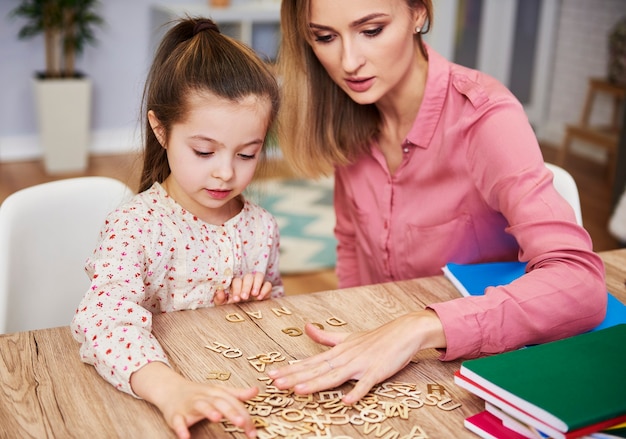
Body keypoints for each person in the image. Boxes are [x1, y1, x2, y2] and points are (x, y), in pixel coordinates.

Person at [268, 0, 606, 406]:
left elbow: (581, 285)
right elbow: (352, 244)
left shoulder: (486, 119)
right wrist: (360, 332)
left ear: (418, 13)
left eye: (371, 30)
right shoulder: (348, 115)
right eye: (324, 37)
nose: (349, 61)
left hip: (487, 371)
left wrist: (419, 326)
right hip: (398, 367)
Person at [71, 17, 282, 439]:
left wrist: (255, 300)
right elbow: (104, 322)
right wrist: (169, 390)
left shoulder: (260, 227)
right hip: (148, 398)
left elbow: (275, 311)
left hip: (234, 394)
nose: (225, 173)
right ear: (161, 130)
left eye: (247, 154)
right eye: (204, 151)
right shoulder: (135, 227)